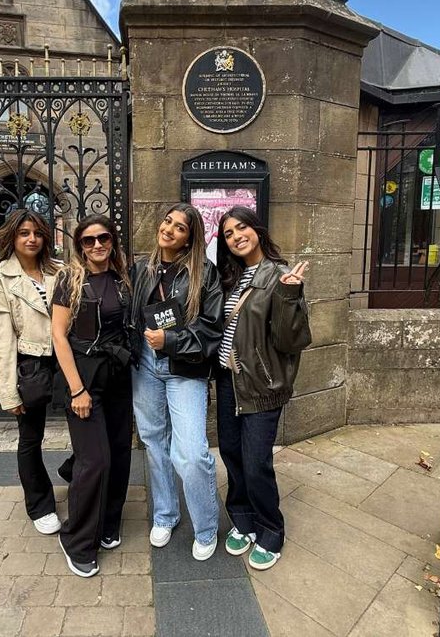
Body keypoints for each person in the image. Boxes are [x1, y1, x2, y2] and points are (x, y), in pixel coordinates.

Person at [215, 206, 310, 571]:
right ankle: (242, 519)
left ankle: (270, 530)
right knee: (232, 454)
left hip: (261, 384)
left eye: (242, 228)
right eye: (228, 233)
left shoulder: (280, 276)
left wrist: (289, 295)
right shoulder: (233, 276)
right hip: (229, 380)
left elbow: (290, 341)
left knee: (256, 463)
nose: (236, 236)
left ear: (257, 230)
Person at [130, 203, 222, 560]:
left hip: (185, 367)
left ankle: (206, 527)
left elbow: (211, 329)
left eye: (180, 227)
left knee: (192, 452)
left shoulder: (204, 273)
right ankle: (165, 514)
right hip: (145, 364)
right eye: (167, 221)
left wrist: (169, 341)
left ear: (189, 238)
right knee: (154, 442)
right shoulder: (143, 268)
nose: (169, 229)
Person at [51, 215, 133, 578]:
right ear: (80, 246)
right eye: (89, 240)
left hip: (118, 376)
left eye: (103, 238)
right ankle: (77, 540)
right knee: (95, 461)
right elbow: (58, 335)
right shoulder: (69, 279)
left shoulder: (123, 278)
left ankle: (108, 522)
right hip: (84, 377)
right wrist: (77, 389)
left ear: (112, 241)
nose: (97, 245)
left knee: (119, 453)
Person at [0, 209, 63, 536]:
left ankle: (76, 471)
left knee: (89, 425)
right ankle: (40, 505)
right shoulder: (0, 279)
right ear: (12, 237)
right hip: (30, 363)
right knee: (31, 437)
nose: (32, 239)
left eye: (38, 233)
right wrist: (8, 391)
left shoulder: (59, 271)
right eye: (24, 233)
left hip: (67, 359)